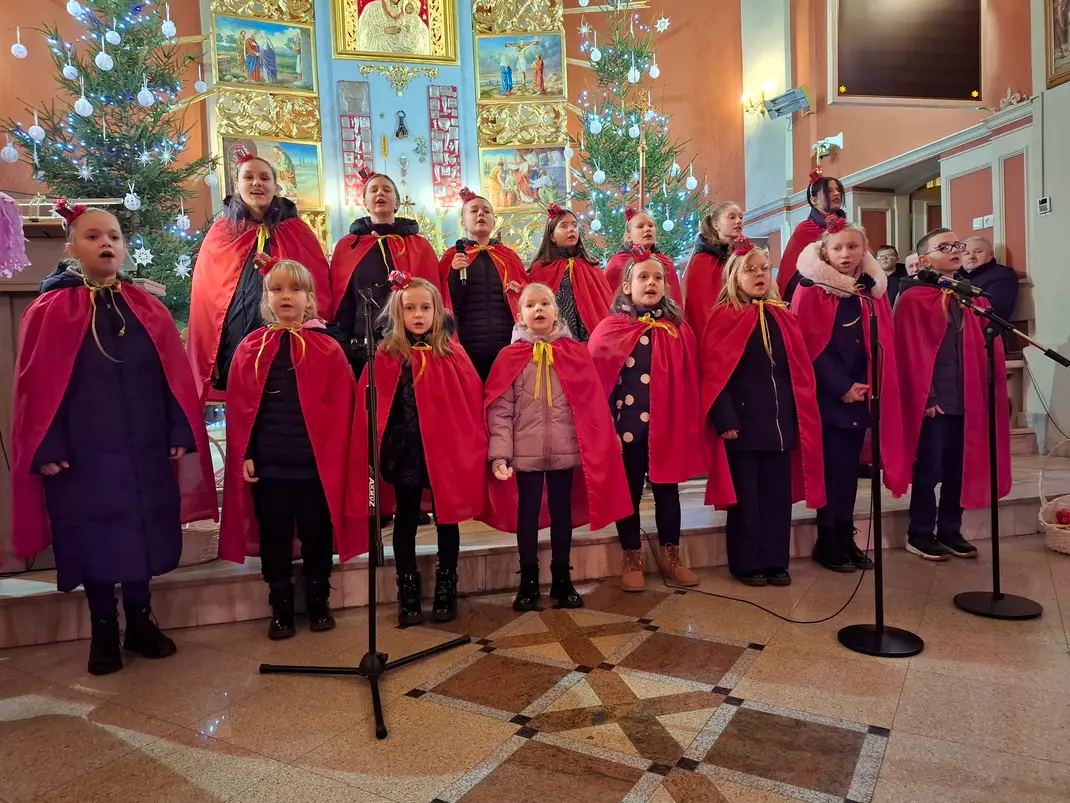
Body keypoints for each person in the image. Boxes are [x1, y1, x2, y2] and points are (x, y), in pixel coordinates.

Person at [12, 202, 217, 675]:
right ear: (71, 248)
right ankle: (103, 629)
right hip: (82, 456)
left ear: (123, 248)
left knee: (142, 532)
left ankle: (141, 623)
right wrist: (47, 445)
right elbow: (35, 388)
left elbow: (172, 376)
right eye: (93, 236)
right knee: (96, 537)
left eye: (114, 236)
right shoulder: (49, 311)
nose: (106, 243)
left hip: (144, 447)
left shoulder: (146, 308)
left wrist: (178, 427)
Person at [220, 259, 363, 639]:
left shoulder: (328, 348)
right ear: (266, 299)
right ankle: (280, 602)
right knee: (275, 536)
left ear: (309, 299)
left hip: (315, 467)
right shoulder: (251, 348)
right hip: (270, 466)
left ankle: (318, 598)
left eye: (295, 289)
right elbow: (242, 409)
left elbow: (343, 408)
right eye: (277, 289)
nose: (286, 296)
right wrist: (247, 453)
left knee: (317, 533)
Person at [484, 283, 632, 611]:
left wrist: (604, 442)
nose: (538, 309)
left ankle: (562, 578)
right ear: (520, 317)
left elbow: (593, 403)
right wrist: (500, 456)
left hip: (565, 452)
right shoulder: (509, 357)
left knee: (562, 513)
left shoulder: (575, 352)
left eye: (545, 304)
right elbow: (500, 410)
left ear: (556, 311)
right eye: (530, 305)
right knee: (527, 514)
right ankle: (528, 579)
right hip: (524, 454)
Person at [352, 274, 487, 625]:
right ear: (398, 314)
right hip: (406, 454)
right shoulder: (386, 356)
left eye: (425, 308)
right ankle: (408, 589)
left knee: (447, 520)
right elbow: (373, 407)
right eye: (410, 308)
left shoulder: (451, 354)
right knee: (406, 520)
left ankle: (446, 585)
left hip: (443, 455)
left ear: (437, 312)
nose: (418, 315)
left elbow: (469, 404)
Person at [701, 240, 824, 586]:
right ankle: (746, 562)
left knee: (776, 499)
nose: (759, 275)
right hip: (742, 426)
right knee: (747, 502)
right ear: (734, 276)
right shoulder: (724, 316)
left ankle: (775, 560)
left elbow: (797, 371)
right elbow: (714, 373)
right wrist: (725, 419)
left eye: (764, 269)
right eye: (750, 270)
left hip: (780, 425)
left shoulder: (782, 316)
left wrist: (798, 416)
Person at [793, 220, 909, 572]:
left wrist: (870, 383)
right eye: (838, 248)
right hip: (830, 398)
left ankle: (846, 536)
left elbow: (879, 342)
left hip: (863, 394)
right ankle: (828, 539)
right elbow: (808, 347)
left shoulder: (870, 291)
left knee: (849, 474)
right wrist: (841, 386)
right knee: (832, 472)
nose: (845, 254)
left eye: (853, 247)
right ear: (825, 251)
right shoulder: (811, 289)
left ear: (864, 249)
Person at [588, 248, 705, 591]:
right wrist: (606, 428)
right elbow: (596, 384)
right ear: (627, 286)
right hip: (626, 431)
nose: (651, 283)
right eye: (643, 277)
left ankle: (672, 555)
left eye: (657, 278)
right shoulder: (610, 329)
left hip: (665, 429)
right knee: (628, 493)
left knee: (668, 491)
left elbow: (688, 381)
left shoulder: (676, 330)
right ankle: (632, 556)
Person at [895, 228, 1012, 560]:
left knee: (958, 468)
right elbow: (911, 351)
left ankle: (949, 529)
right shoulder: (914, 297)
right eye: (944, 247)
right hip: (935, 401)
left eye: (956, 245)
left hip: (967, 397)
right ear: (924, 259)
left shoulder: (972, 298)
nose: (955, 251)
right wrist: (928, 397)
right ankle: (920, 532)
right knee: (929, 468)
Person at [188, 148, 331, 403]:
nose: (257, 183)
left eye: (265, 178)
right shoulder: (222, 233)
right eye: (249, 177)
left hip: (292, 343)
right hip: (235, 342)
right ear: (237, 185)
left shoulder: (298, 231)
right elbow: (205, 301)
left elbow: (317, 290)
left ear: (276, 186)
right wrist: (211, 351)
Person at [328, 169, 443, 377]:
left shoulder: (418, 245)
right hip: (362, 345)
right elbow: (341, 299)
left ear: (397, 202)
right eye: (373, 190)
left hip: (410, 344)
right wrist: (342, 346)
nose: (380, 193)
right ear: (365, 202)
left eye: (387, 190)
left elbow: (432, 297)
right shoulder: (348, 246)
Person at [439, 188, 527, 381]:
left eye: (486, 211)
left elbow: (524, 298)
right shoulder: (452, 256)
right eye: (474, 210)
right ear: (463, 222)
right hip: (467, 341)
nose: (481, 214)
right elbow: (446, 302)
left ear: (494, 221)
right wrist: (454, 273)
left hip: (505, 340)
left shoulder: (508, 256)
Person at [529, 204, 613, 343]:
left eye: (574, 225)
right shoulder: (541, 267)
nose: (571, 229)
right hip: (557, 337)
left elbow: (604, 302)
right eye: (564, 226)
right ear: (552, 236)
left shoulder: (590, 265)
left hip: (591, 335)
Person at [777, 169, 847, 302]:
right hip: (815, 298)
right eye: (829, 191)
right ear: (814, 200)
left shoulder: (847, 229)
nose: (837, 193)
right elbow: (792, 274)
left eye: (838, 190)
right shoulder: (805, 230)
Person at [682, 201, 743, 342]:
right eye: (732, 217)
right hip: (714, 332)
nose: (738, 221)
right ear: (716, 225)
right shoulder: (703, 260)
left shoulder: (742, 255)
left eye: (740, 217)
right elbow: (704, 307)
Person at [604, 207, 683, 302]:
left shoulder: (666, 263)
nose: (647, 229)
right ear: (629, 237)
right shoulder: (617, 264)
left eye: (651, 225)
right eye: (640, 226)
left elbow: (674, 299)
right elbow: (607, 299)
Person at [958, 236, 1020, 323]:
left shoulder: (1002, 275)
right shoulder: (954, 275)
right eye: (966, 253)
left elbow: (994, 312)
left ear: (991, 254)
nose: (971, 256)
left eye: (978, 252)